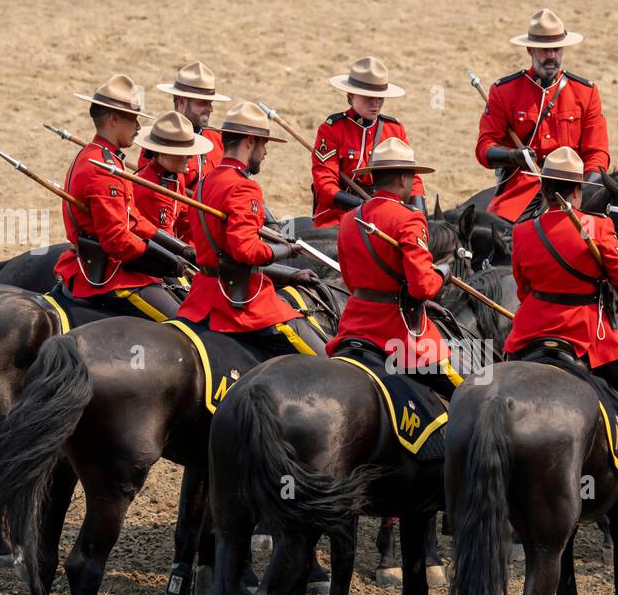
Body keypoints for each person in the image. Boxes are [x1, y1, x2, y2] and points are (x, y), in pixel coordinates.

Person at [503, 147, 618, 508]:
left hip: (528, 335)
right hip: (587, 337)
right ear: (578, 191)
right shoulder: (597, 228)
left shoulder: (523, 231)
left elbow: (523, 289)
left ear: (545, 188)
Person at [177, 101, 325, 356]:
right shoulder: (244, 187)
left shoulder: (204, 183)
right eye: (263, 143)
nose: (265, 152)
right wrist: (284, 250)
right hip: (240, 301)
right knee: (324, 358)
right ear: (249, 141)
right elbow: (245, 250)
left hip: (203, 294)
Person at [327, 137, 461, 398]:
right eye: (411, 176)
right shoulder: (409, 219)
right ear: (402, 179)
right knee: (465, 394)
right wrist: (442, 274)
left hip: (354, 325)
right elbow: (422, 288)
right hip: (398, 333)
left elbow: (350, 280)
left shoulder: (348, 219)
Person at [54, 74, 192, 321]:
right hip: (110, 275)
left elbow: (134, 219)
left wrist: (178, 249)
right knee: (182, 324)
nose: (138, 128)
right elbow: (117, 239)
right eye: (134, 120)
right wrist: (163, 261)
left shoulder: (103, 157)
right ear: (115, 119)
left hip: (113, 265)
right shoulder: (101, 168)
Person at [476, 8, 608, 223]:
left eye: (556, 49)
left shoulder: (586, 92)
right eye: (545, 50)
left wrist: (587, 188)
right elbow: (484, 148)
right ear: (530, 50)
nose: (552, 56)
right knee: (500, 243)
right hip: (523, 191)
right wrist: (512, 156)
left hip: (573, 189)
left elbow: (597, 152)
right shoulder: (504, 91)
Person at [311, 57, 423, 228]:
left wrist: (419, 212)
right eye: (369, 98)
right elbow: (324, 185)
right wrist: (361, 207)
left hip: (385, 213)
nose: (376, 104)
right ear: (351, 95)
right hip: (339, 215)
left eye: (380, 98)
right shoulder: (332, 129)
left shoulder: (394, 129)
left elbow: (411, 178)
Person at [140, 61, 231, 196]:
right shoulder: (158, 141)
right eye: (203, 103)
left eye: (210, 103)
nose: (210, 109)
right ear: (182, 102)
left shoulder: (218, 140)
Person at [132, 111, 213, 243]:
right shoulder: (151, 189)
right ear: (164, 154)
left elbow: (186, 219)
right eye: (183, 153)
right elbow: (165, 240)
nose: (190, 157)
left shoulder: (176, 177)